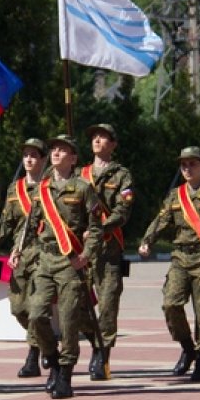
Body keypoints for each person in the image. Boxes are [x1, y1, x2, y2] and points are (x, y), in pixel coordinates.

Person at [11, 135, 102, 398]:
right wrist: (18, 249)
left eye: (62, 150)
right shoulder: (43, 189)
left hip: (70, 262)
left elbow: (95, 229)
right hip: (45, 260)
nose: (56, 153)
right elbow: (30, 223)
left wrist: (86, 255)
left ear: (73, 158)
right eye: (54, 150)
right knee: (37, 315)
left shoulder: (83, 188)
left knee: (70, 318)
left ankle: (65, 373)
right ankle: (50, 354)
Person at [139, 147, 200, 381]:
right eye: (183, 165)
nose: (187, 169)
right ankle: (188, 348)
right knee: (171, 304)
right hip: (180, 257)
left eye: (192, 164)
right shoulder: (175, 195)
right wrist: (147, 242)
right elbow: (161, 221)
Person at [78, 123, 135, 381]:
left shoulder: (122, 176)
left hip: (109, 249)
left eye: (104, 138)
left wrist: (99, 227)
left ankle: (103, 353)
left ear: (113, 144)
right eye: (95, 137)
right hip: (82, 251)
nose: (98, 141)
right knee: (77, 305)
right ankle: (95, 339)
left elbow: (122, 212)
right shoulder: (79, 174)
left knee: (108, 304)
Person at [0, 138, 49, 377]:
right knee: (18, 309)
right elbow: (6, 223)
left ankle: (33, 355)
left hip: (45, 253)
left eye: (34, 155)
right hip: (20, 254)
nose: (29, 159)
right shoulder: (14, 189)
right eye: (26, 155)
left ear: (43, 159)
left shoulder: (51, 187)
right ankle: (47, 344)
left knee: (36, 308)